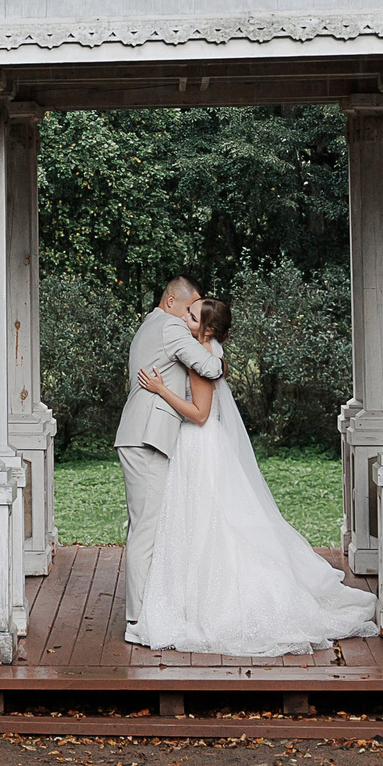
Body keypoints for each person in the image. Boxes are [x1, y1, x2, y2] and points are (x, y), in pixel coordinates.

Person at [129, 297, 379, 657]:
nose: (183, 317)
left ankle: (210, 601)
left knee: (206, 524)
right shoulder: (205, 351)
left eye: (191, 315)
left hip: (198, 444)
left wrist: (162, 391)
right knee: (199, 524)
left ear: (208, 328)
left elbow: (200, 414)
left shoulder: (203, 358)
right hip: (200, 445)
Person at [113, 275, 224, 645]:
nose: (190, 317)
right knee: (146, 529)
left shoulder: (149, 323)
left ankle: (146, 610)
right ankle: (140, 618)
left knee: (143, 525)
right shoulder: (171, 328)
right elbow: (209, 368)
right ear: (172, 301)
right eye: (190, 309)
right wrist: (221, 360)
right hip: (147, 437)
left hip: (139, 435)